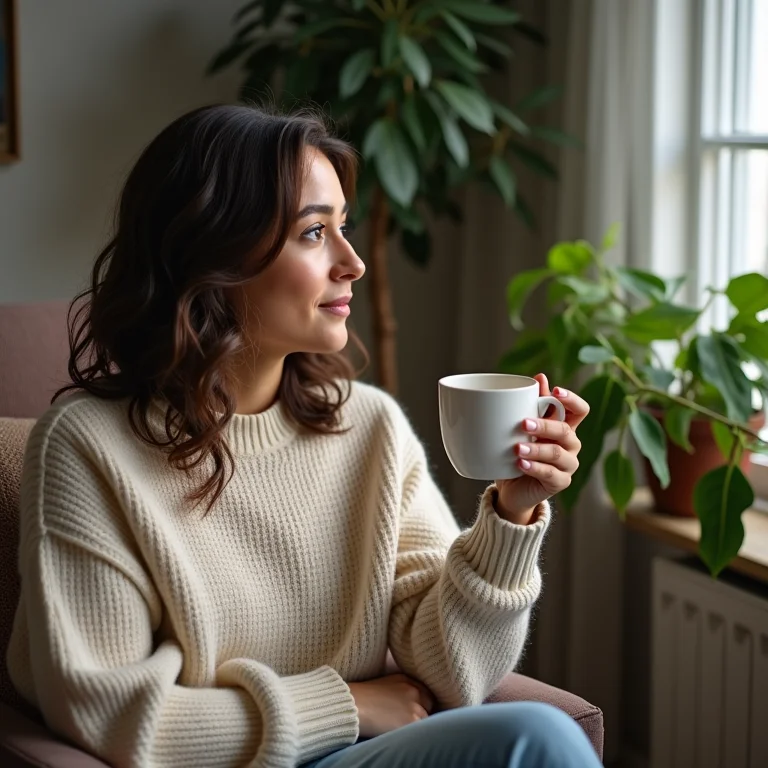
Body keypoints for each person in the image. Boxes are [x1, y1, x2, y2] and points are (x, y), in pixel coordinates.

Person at [7, 104, 599, 768]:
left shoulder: (369, 427)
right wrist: (344, 703)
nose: (353, 263)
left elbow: (453, 675)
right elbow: (107, 712)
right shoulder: (87, 447)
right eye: (315, 232)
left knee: (538, 735)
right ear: (215, 250)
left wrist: (513, 514)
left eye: (343, 227)